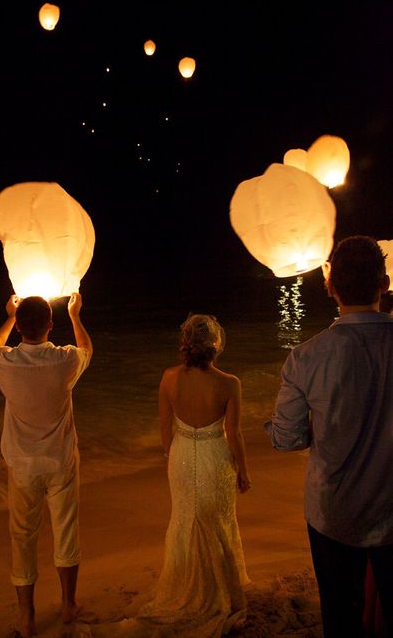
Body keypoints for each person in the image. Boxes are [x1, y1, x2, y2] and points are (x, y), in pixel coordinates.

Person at [266, 235, 393, 638]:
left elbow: (285, 439)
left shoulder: (306, 357)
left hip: (334, 512)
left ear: (331, 286)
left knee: (341, 616)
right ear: (385, 284)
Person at [100, 314, 251, 638]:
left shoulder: (169, 378)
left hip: (181, 455)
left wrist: (173, 458)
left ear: (186, 344)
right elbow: (234, 434)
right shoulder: (229, 383)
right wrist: (243, 471)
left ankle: (185, 586)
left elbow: (165, 427)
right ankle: (219, 592)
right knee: (216, 522)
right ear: (215, 346)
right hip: (214, 457)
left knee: (185, 520)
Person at [0, 292, 92, 638]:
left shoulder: (4, 363)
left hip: (22, 463)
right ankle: (68, 604)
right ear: (50, 324)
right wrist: (75, 315)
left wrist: (7, 315)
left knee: (23, 537)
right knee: (66, 530)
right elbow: (87, 349)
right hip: (60, 459)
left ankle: (27, 616)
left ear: (18, 327)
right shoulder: (64, 361)